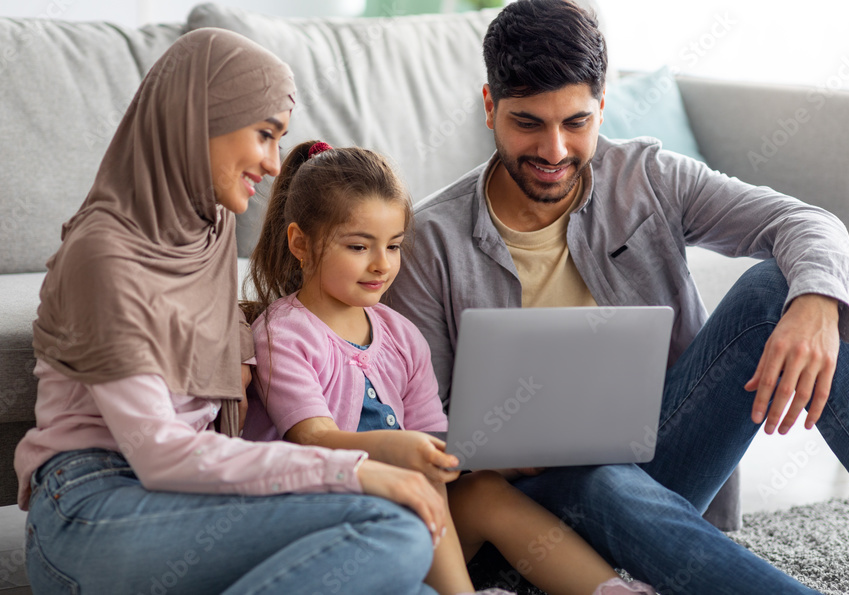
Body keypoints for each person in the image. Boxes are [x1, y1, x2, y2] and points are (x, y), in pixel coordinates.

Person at [386, 0, 849, 594]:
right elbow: (415, 428)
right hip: (527, 513)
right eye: (528, 122)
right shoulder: (430, 241)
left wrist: (815, 302)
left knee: (779, 288)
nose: (554, 151)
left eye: (575, 122)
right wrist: (491, 451)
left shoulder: (645, 179)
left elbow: (808, 223)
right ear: (489, 107)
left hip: (661, 465)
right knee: (594, 477)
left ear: (602, 107)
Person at [13, 28, 449, 595]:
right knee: (395, 531)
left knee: (401, 584)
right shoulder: (105, 255)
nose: (272, 165)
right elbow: (160, 453)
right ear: (197, 120)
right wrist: (353, 469)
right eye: (263, 135)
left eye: (280, 140)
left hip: (192, 501)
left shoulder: (206, 229)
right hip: (94, 506)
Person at [240, 139, 656, 595]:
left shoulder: (400, 334)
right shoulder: (283, 333)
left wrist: (505, 456)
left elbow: (437, 441)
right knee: (420, 476)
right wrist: (405, 453)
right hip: (324, 516)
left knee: (484, 494)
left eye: (394, 246)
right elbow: (313, 440)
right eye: (359, 246)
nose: (382, 264)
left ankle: (614, 590)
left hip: (409, 509)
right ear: (300, 242)